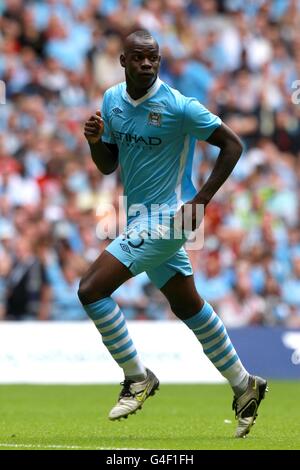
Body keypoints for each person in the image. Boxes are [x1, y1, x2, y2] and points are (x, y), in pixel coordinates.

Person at [80, 30, 267, 438]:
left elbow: (232, 145)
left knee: (91, 289)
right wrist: (96, 141)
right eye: (139, 58)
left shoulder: (180, 106)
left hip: (169, 219)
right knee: (189, 307)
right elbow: (108, 165)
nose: (147, 65)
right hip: (137, 217)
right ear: (123, 61)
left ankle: (137, 377)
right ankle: (244, 384)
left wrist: (200, 201)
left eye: (154, 58)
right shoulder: (112, 100)